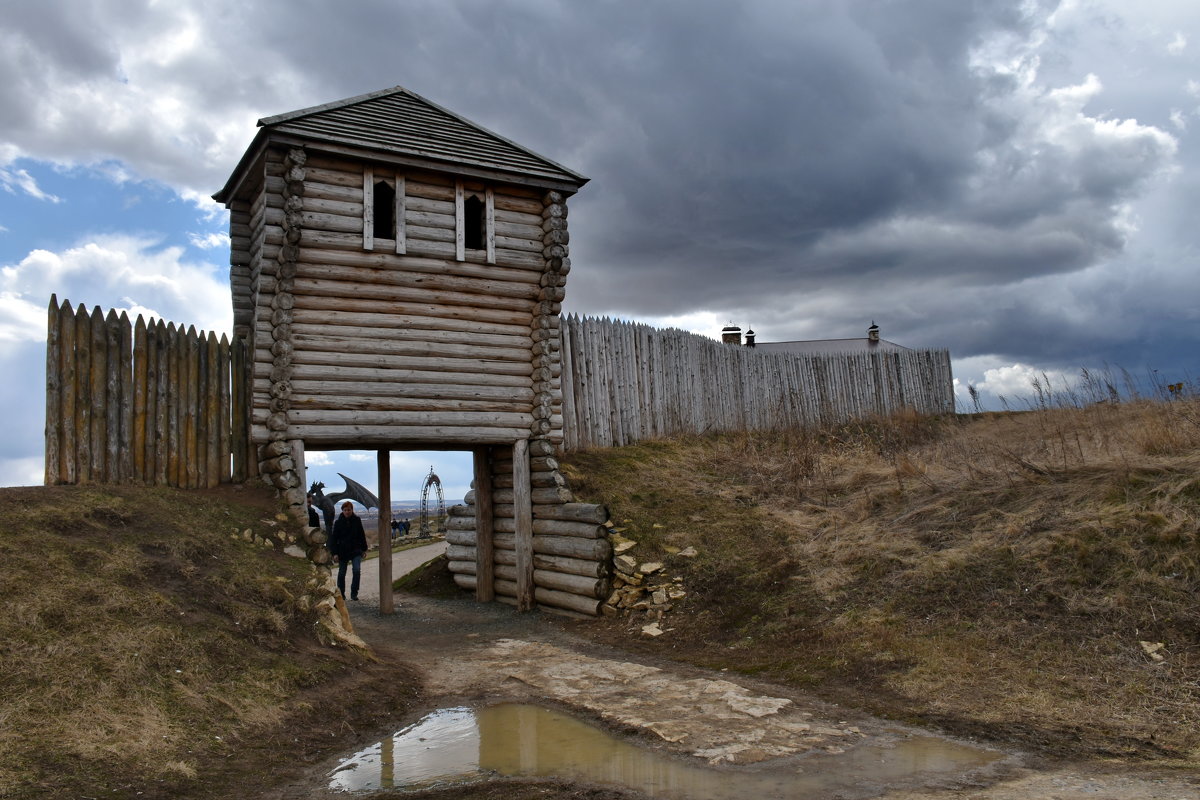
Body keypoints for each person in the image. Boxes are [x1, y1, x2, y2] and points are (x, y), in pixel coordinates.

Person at [330, 500, 368, 601]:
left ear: (352, 510)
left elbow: (361, 535)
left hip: (356, 549)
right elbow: (334, 539)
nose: (347, 512)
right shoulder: (338, 523)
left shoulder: (357, 520)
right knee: (342, 573)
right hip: (343, 551)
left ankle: (354, 593)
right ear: (342, 511)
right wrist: (334, 553)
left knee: (356, 570)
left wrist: (364, 549)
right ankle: (341, 593)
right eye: (345, 510)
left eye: (349, 510)